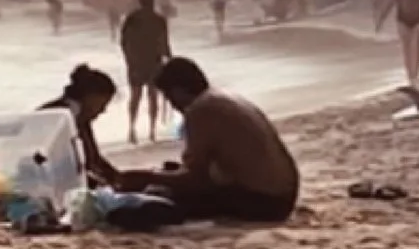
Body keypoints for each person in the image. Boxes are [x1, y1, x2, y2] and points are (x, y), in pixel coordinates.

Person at [127, 56, 300, 224]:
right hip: (284, 195)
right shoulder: (222, 97)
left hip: (264, 202)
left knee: (159, 197)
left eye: (168, 97)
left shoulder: (199, 111)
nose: (172, 105)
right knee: (168, 173)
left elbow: (195, 179)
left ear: (177, 91)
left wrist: (148, 177)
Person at [118, 0, 171, 139]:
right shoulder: (156, 19)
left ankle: (138, 129)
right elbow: (164, 43)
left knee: (140, 95)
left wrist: (129, 59)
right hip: (149, 62)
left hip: (143, 63)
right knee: (147, 95)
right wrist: (168, 58)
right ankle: (145, 130)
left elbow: (124, 42)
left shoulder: (133, 19)